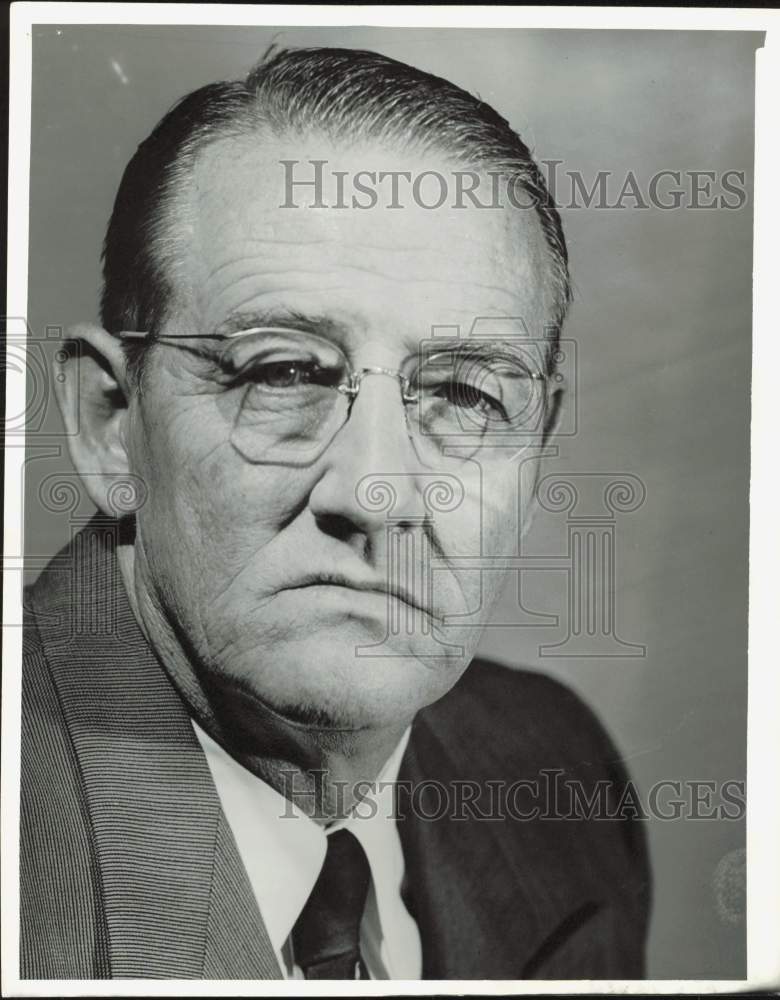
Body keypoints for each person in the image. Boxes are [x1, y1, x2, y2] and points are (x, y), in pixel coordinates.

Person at [20, 46, 650, 980]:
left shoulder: (558, 772)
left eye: (467, 396)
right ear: (112, 425)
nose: (377, 493)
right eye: (282, 373)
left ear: (539, 442)